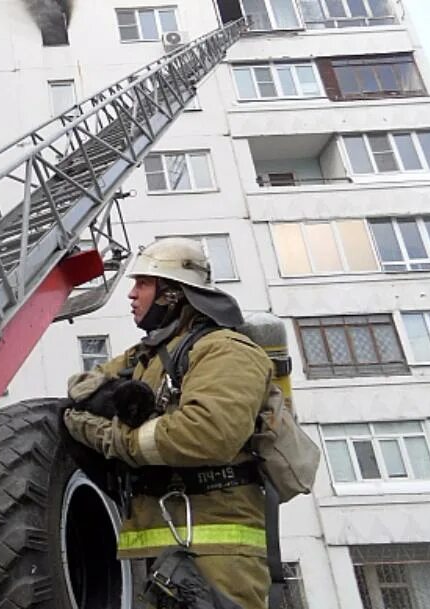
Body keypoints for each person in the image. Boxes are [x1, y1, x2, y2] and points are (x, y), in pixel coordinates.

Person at [63, 238, 274, 609]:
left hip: (215, 553)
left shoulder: (225, 350)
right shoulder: (145, 358)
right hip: (156, 550)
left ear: (172, 294)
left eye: (143, 284)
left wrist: (114, 438)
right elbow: (80, 391)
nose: (131, 295)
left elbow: (208, 435)